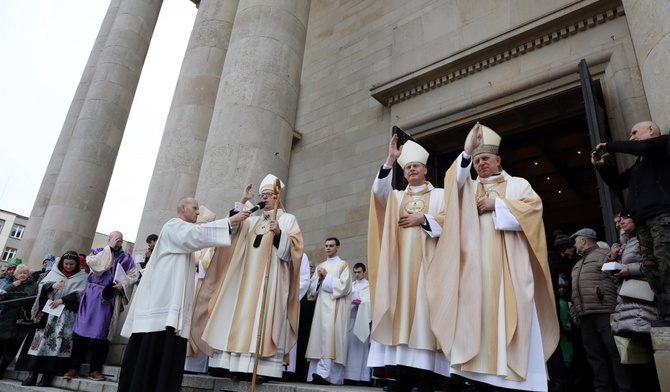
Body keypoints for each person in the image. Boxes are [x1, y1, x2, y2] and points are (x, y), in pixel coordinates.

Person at [427, 123, 558, 391]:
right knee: (478, 317)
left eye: (485, 158)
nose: (481, 164)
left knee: (514, 317)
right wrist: (466, 151)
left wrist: (496, 204)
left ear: (498, 160)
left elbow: (534, 213)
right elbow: (454, 187)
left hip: (511, 266)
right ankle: (481, 378)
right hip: (476, 269)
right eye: (476, 160)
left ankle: (518, 381)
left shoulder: (517, 184)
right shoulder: (469, 188)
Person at [117, 197, 250, 392]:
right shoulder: (173, 226)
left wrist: (233, 219)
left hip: (172, 309)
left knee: (168, 353)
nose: (197, 212)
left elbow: (200, 236)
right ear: (182, 207)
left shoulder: (184, 234)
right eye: (195, 208)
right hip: (161, 305)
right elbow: (196, 235)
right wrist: (230, 220)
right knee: (152, 351)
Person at [196, 175, 303, 383]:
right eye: (262, 195)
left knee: (263, 322)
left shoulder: (287, 219)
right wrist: (241, 200)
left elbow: (295, 252)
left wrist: (280, 234)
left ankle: (261, 368)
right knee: (241, 319)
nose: (265, 199)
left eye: (268, 195)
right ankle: (236, 366)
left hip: (270, 282)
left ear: (278, 196)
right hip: (244, 282)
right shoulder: (253, 219)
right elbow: (233, 230)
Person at [367, 134, 448, 392]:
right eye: (408, 167)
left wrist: (423, 219)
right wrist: (390, 159)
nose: (412, 169)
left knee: (425, 318)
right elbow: (378, 194)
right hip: (400, 268)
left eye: (416, 166)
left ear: (425, 169)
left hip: (429, 267)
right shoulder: (397, 197)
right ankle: (402, 379)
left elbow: (453, 221)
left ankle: (426, 379)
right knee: (401, 318)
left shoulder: (441, 195)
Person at [592, 120, 670, 325]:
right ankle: (666, 313)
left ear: (651, 130)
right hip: (642, 222)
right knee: (653, 271)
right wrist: (602, 166)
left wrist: (610, 146)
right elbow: (618, 182)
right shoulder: (639, 165)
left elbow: (643, 146)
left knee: (666, 265)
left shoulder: (663, 144)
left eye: (635, 132)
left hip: (663, 216)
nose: (631, 137)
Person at [62, 231, 139, 382]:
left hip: (109, 297)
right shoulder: (97, 252)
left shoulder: (125, 257)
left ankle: (95, 369)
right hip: (92, 294)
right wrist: (108, 249)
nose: (119, 243)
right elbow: (99, 267)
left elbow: (134, 274)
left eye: (120, 240)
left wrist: (122, 284)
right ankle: (74, 367)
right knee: (82, 332)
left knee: (103, 333)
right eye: (116, 240)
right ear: (108, 240)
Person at [569, 228, 634, 391]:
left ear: (583, 240)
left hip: (605, 311)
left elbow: (616, 278)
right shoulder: (577, 264)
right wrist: (575, 311)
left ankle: (625, 388)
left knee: (615, 353)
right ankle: (602, 388)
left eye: (576, 240)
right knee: (594, 356)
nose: (574, 245)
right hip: (585, 316)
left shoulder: (605, 254)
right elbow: (575, 290)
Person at [15, 251, 87, 387]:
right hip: (48, 312)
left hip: (65, 315)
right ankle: (33, 374)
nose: (69, 266)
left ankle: (47, 375)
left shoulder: (81, 277)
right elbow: (41, 286)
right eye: (66, 264)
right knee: (40, 342)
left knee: (58, 344)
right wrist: (51, 286)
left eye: (72, 264)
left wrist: (63, 299)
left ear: (77, 264)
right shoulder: (54, 273)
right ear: (62, 263)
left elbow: (81, 294)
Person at [610, 211, 661, 391]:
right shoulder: (629, 241)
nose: (620, 224)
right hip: (631, 301)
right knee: (640, 356)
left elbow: (655, 263)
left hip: (644, 300)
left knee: (650, 351)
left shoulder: (644, 235)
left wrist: (628, 270)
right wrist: (614, 259)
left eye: (623, 219)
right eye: (617, 221)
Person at [305, 237, 352, 385]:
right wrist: (318, 280)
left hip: (335, 308)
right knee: (320, 339)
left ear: (338, 247)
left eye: (331, 245)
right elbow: (312, 292)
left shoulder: (343, 265)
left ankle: (328, 376)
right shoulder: (321, 265)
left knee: (332, 339)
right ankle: (316, 373)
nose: (328, 248)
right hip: (321, 309)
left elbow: (345, 287)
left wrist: (326, 277)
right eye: (326, 245)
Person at [0, 264, 39, 379]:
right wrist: (12, 286)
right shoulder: (11, 284)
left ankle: (1, 371)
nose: (22, 275)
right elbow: (1, 295)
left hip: (21, 322)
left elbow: (34, 299)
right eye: (20, 273)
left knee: (11, 348)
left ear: (28, 274)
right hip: (6, 319)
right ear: (16, 274)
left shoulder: (34, 286)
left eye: (25, 273)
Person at [283, 252, 311, 380]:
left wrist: (289, 295)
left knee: (288, 331)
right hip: (274, 299)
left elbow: (305, 279)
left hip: (291, 301)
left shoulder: (301, 256)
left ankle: (287, 369)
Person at [344, 262, 372, 384]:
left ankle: (362, 377)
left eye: (359, 272)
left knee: (361, 349)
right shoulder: (351, 285)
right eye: (355, 272)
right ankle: (349, 375)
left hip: (362, 320)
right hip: (351, 319)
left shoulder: (368, 285)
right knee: (350, 349)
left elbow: (370, 301)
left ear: (364, 272)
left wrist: (362, 302)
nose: (357, 275)